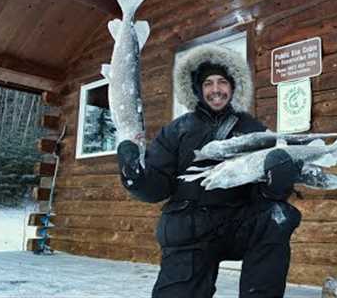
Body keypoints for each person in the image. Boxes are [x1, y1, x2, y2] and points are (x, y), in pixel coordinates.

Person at [116, 44, 302, 298]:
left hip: (235, 224)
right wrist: (135, 177)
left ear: (233, 86)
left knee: (278, 215)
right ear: (197, 89)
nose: (216, 90)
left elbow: (261, 195)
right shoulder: (176, 130)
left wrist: (275, 186)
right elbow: (157, 187)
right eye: (208, 84)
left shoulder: (252, 129)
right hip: (188, 227)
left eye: (222, 82)